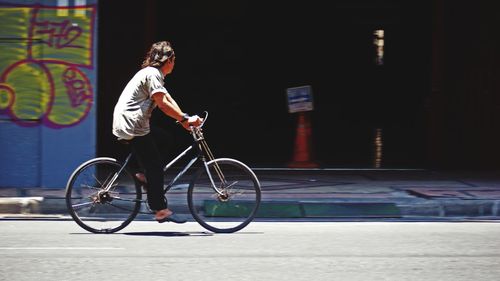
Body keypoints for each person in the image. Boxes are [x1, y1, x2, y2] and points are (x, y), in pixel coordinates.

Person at [112, 41, 203, 223]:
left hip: (132, 122)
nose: (174, 63)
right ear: (168, 60)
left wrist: (185, 118)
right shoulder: (153, 74)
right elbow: (162, 105)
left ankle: (143, 176)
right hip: (133, 124)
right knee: (155, 167)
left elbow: (168, 99)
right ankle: (160, 209)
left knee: (164, 138)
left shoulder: (154, 75)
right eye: (174, 59)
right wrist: (184, 120)